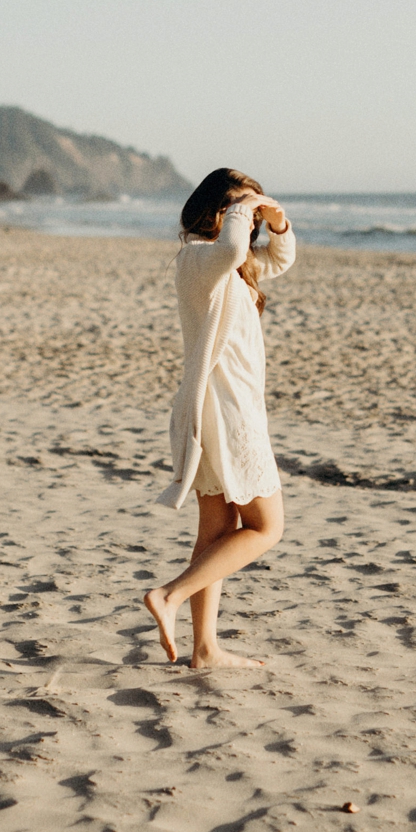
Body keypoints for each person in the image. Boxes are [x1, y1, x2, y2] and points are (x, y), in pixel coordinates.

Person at [143, 168, 296, 667]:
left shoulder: (231, 266)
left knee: (217, 528)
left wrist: (277, 223)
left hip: (229, 406)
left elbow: (279, 259)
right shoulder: (197, 260)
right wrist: (243, 207)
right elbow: (231, 248)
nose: (249, 220)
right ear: (219, 211)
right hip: (226, 413)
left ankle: (205, 649)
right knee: (266, 527)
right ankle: (169, 595)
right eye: (241, 210)